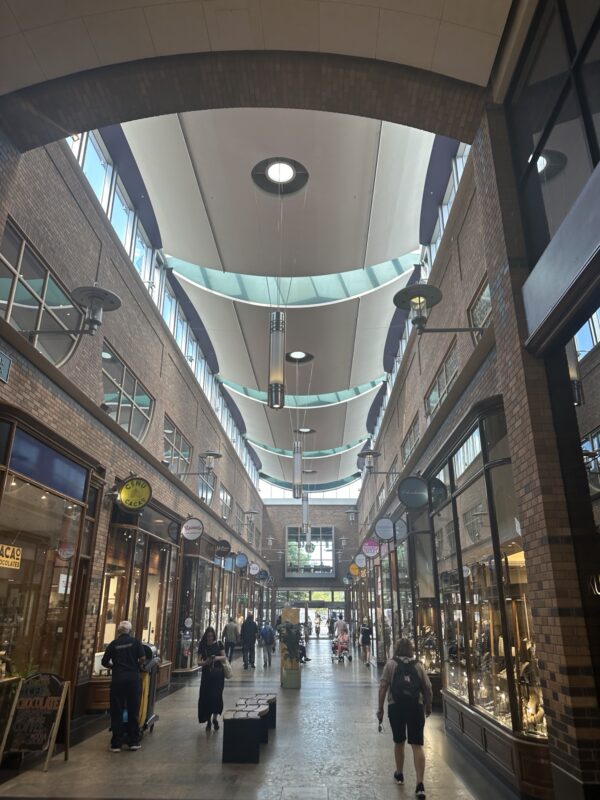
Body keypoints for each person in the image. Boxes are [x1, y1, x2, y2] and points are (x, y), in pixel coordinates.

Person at [377, 638, 432, 798]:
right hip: (416, 706)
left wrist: (380, 708)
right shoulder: (418, 665)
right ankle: (420, 784)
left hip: (396, 706)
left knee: (399, 742)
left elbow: (383, 687)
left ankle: (400, 774)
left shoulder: (391, 664)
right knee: (417, 744)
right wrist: (428, 706)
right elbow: (428, 688)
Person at [101, 620, 146, 752]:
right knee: (133, 709)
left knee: (117, 710)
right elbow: (143, 657)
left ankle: (116, 743)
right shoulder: (136, 642)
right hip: (132, 679)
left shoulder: (114, 644)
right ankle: (133, 741)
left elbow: (104, 661)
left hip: (118, 680)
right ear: (130, 631)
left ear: (118, 632)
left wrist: (114, 667)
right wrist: (136, 665)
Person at [197, 627, 226, 732]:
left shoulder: (219, 644)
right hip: (207, 676)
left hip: (218, 675)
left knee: (217, 696)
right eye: (208, 636)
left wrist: (215, 658)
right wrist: (206, 662)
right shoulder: (202, 645)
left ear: (214, 636)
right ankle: (208, 720)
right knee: (207, 697)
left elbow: (224, 657)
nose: (210, 638)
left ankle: (215, 719)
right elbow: (198, 662)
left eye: (211, 636)